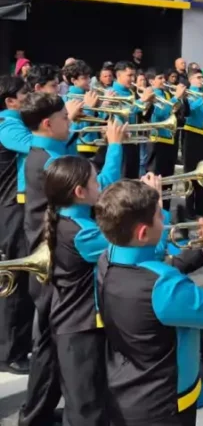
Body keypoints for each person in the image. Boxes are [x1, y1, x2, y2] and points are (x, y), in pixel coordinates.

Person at [95, 180, 203, 426]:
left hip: (126, 387)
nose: (165, 223)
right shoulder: (162, 286)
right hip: (164, 407)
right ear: (142, 233)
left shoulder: (106, 258)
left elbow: (150, 256)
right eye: (159, 217)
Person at [18, 93, 124, 426]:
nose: (72, 118)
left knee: (54, 350)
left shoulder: (45, 152)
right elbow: (100, 187)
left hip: (55, 259)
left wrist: (73, 127)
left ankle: (39, 415)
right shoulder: (50, 161)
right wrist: (115, 146)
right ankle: (38, 416)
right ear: (47, 124)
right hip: (59, 265)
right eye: (65, 116)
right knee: (57, 353)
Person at [43, 156, 111, 426]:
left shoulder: (66, 219)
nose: (101, 185)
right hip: (81, 328)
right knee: (87, 410)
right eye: (96, 181)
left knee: (84, 404)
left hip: (72, 323)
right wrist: (153, 207)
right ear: (80, 192)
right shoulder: (83, 234)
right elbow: (131, 243)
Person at [0, 76, 33, 375]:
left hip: (12, 209)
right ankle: (11, 353)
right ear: (10, 101)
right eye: (25, 93)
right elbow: (38, 146)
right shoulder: (8, 125)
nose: (30, 96)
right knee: (16, 282)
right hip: (12, 211)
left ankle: (16, 345)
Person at [181, 69, 203, 221]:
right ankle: (190, 209)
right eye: (198, 77)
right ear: (191, 80)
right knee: (191, 173)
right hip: (192, 136)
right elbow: (190, 110)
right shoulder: (189, 94)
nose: (202, 79)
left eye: (202, 77)